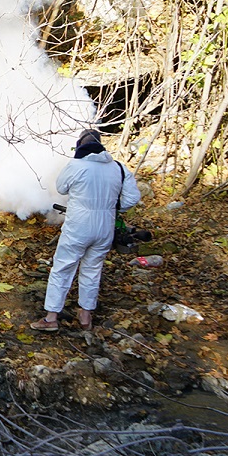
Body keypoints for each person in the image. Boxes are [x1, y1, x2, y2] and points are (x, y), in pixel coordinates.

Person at [30, 129, 141, 332]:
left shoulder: (76, 165)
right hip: (105, 226)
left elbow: (62, 188)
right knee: (92, 269)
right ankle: (85, 316)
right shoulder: (118, 168)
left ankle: (51, 318)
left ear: (80, 145)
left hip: (78, 226)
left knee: (63, 268)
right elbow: (132, 197)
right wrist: (112, 208)